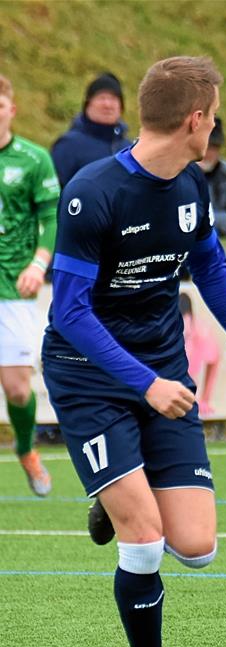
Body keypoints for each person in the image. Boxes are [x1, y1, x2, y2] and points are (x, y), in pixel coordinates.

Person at [44, 56, 226, 647]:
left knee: (196, 549)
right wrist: (144, 384)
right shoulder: (91, 191)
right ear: (196, 120)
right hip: (88, 377)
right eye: (214, 113)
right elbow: (68, 313)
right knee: (143, 539)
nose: (214, 123)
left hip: (165, 373)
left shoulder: (192, 185)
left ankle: (118, 491)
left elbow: (211, 267)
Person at [0, 73, 59, 496]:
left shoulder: (34, 159)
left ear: (11, 110)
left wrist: (39, 263)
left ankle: (25, 449)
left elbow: (51, 218)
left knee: (18, 388)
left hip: (12, 287)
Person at [51, 72, 131, 189]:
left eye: (113, 99)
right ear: (88, 105)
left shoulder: (129, 149)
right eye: (101, 98)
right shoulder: (68, 145)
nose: (107, 105)